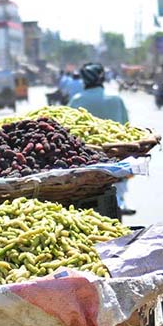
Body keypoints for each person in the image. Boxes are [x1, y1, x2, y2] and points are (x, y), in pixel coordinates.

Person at [70, 63, 133, 214]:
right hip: (115, 157)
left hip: (85, 161)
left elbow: (68, 132)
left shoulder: (76, 101)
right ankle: (121, 201)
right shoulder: (116, 99)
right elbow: (126, 128)